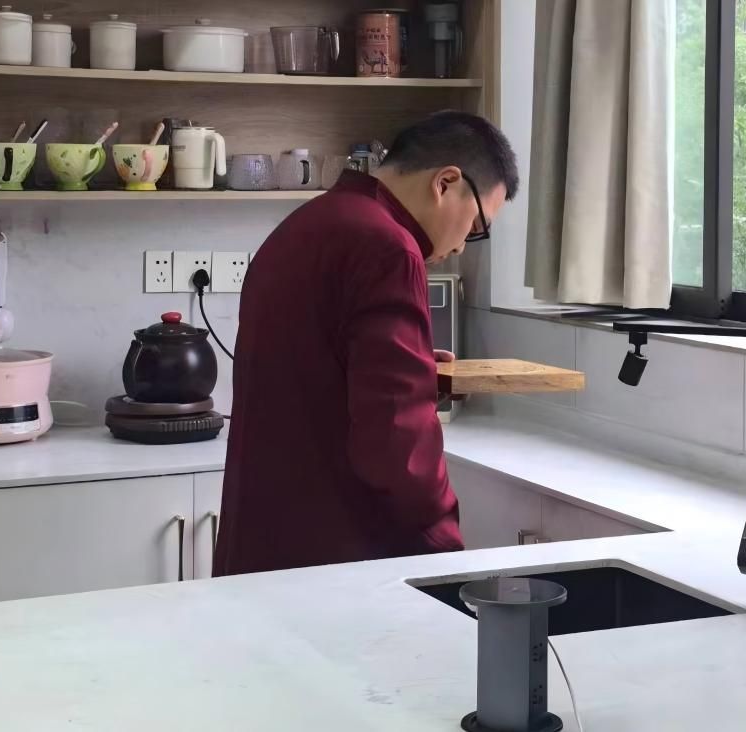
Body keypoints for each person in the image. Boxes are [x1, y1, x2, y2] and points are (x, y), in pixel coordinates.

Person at [213, 111, 519, 576]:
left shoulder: (306, 223)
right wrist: (444, 545)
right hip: (338, 557)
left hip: (262, 542)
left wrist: (416, 367)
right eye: (476, 225)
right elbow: (397, 443)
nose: (462, 246)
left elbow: (315, 363)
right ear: (446, 183)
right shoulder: (389, 248)